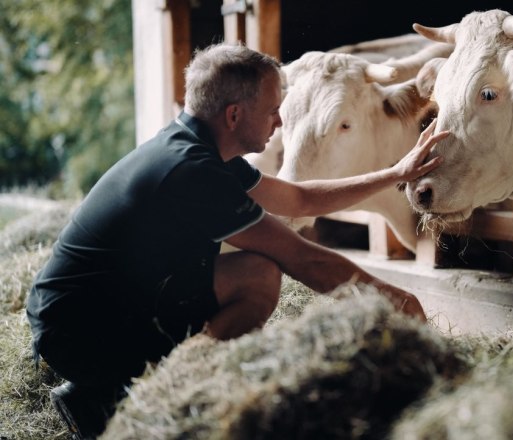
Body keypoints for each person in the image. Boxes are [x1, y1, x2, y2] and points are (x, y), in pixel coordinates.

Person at [26, 42, 448, 439]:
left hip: (87, 309)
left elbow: (298, 198)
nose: (280, 122)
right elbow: (303, 260)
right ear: (233, 116)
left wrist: (396, 173)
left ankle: (101, 391)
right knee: (260, 275)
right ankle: (158, 394)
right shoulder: (193, 172)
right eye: (272, 110)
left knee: (255, 273)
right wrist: (398, 301)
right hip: (78, 330)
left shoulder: (197, 148)